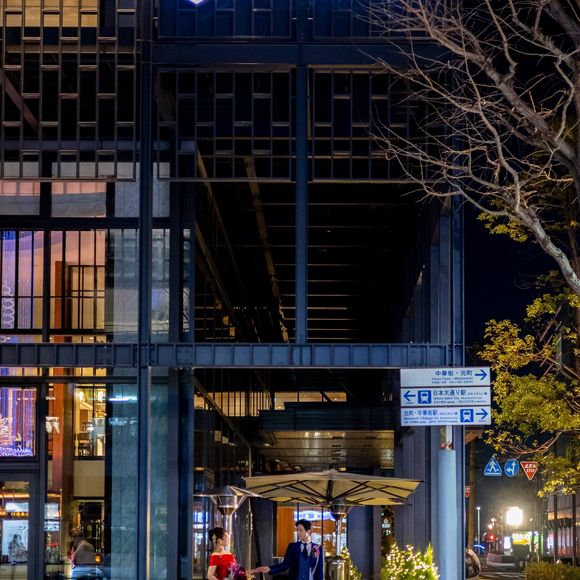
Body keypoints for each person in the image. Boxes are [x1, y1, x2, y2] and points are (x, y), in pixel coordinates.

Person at [254, 519, 323, 580]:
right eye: (297, 530)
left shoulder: (317, 548)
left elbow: (319, 570)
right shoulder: (293, 547)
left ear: (309, 531)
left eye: (300, 530)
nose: (298, 533)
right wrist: (270, 569)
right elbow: (285, 564)